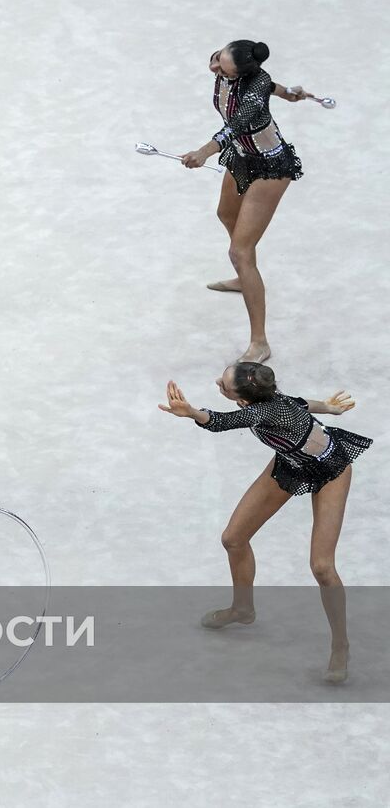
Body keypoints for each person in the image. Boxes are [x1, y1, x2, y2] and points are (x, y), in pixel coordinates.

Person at [160, 362, 371, 682]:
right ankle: (243, 609)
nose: (218, 382)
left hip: (330, 470)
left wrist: (191, 412)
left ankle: (340, 645)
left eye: (224, 385)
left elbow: (221, 422)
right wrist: (326, 407)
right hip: (289, 463)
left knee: (322, 567)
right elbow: (300, 402)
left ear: (245, 395)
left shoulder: (261, 411)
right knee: (233, 538)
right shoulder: (267, 396)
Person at [179, 40, 316, 363]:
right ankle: (245, 276)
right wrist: (289, 93)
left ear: (241, 72)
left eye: (221, 67)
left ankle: (260, 342)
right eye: (216, 57)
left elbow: (235, 126)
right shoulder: (244, 73)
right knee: (225, 213)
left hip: (270, 166)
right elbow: (272, 85)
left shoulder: (253, 90)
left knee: (240, 251)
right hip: (243, 157)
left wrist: (203, 152)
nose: (213, 67)